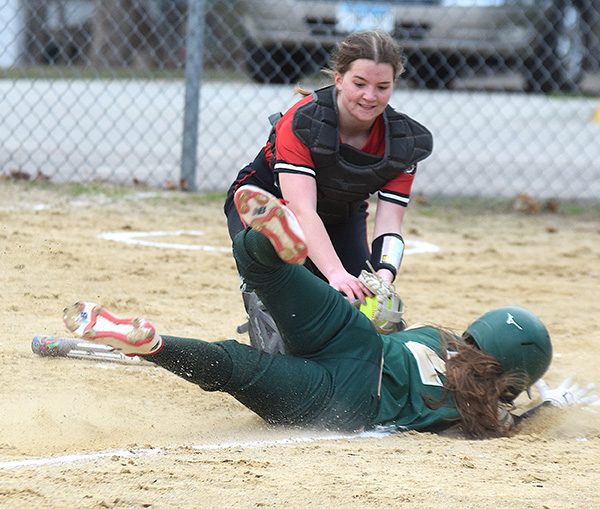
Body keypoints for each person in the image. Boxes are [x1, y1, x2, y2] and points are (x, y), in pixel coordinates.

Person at [64, 187, 596, 437]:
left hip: (354, 338)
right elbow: (522, 414)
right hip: (345, 400)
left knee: (266, 273)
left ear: (478, 334)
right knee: (233, 367)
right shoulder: (474, 413)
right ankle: (155, 345)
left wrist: (384, 311)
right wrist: (540, 406)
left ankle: (272, 242)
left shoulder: (437, 340)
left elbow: (389, 328)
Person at [223, 30, 433, 351]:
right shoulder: (305, 120)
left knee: (368, 319)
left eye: (382, 87)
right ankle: (263, 296)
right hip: (270, 203)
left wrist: (384, 277)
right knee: (288, 306)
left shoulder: (403, 143)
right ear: (338, 79)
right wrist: (334, 274)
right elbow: (302, 208)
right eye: (359, 84)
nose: (370, 96)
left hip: (340, 214)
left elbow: (390, 224)